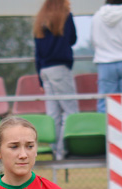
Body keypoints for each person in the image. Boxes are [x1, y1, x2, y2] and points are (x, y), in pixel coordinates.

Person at [34, 0, 79, 160]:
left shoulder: (41, 19)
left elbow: (37, 53)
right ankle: (63, 150)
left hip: (44, 70)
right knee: (70, 111)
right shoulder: (66, 17)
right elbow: (73, 39)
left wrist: (40, 79)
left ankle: (55, 150)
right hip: (60, 68)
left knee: (53, 114)